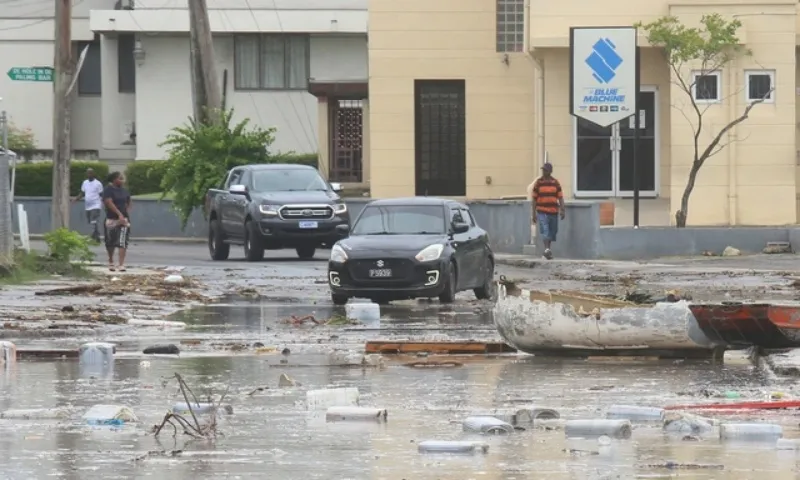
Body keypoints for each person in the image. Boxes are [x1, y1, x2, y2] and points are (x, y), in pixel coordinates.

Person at [530, 162, 565, 260]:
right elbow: (534, 198)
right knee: (545, 229)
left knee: (552, 231)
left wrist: (563, 209)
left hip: (553, 211)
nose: (544, 172)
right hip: (542, 211)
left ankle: (547, 251)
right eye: (543, 170)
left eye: (545, 170)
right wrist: (533, 213)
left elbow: (560, 197)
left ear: (550, 171)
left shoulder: (555, 183)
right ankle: (546, 249)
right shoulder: (539, 183)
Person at [102, 171, 132, 271]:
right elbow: (109, 203)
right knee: (110, 241)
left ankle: (121, 264)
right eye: (120, 178)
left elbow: (128, 202)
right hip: (112, 219)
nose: (122, 180)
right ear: (114, 180)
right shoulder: (108, 190)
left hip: (124, 220)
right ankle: (111, 260)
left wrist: (125, 214)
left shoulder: (124, 191)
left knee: (122, 241)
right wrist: (119, 214)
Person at [72, 168, 104, 242]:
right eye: (88, 173)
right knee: (90, 221)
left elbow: (102, 194)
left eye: (90, 173)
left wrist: (105, 202)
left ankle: (94, 236)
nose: (89, 174)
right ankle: (96, 235)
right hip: (88, 206)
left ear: (93, 174)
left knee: (93, 220)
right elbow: (82, 193)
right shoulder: (85, 183)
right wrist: (76, 199)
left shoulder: (98, 183)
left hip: (96, 204)